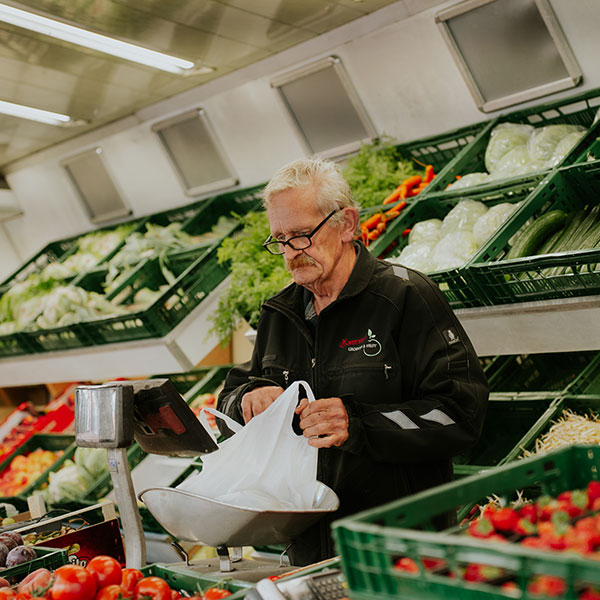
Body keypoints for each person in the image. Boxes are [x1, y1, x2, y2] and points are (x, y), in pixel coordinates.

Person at [217, 157, 489, 566]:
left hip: (401, 550)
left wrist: (358, 424)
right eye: (280, 239)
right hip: (308, 550)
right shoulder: (280, 312)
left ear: (346, 224)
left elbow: (461, 413)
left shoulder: (405, 297)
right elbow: (230, 398)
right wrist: (247, 399)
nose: (292, 253)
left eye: (303, 235)